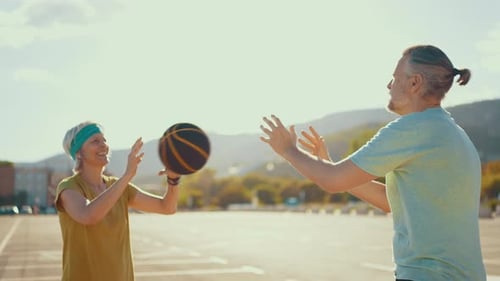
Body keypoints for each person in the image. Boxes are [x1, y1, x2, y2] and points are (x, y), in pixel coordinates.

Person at [260, 45, 486, 281]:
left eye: (395, 78)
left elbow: (332, 180)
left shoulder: (412, 129)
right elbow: (391, 201)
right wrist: (329, 163)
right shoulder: (453, 132)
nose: (389, 85)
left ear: (414, 83)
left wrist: (287, 150)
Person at [55, 121, 181, 281]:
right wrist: (127, 175)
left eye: (104, 140)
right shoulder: (68, 187)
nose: (104, 146)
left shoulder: (118, 186)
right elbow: (88, 216)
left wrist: (173, 180)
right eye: (95, 141)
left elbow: (167, 207)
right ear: (79, 153)